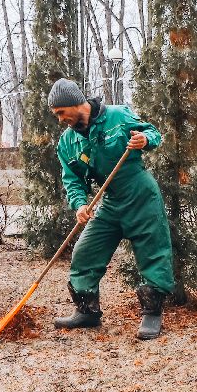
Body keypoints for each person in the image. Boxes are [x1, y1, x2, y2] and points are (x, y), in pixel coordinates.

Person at [47, 78, 174, 340]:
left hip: (141, 195)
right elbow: (72, 179)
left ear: (75, 102)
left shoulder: (118, 116)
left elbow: (153, 133)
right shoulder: (68, 142)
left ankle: (152, 314)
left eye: (61, 112)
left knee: (152, 252)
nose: (60, 119)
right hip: (111, 201)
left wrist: (144, 139)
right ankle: (87, 311)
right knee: (85, 252)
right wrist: (80, 204)